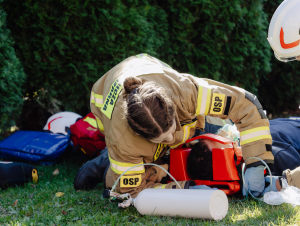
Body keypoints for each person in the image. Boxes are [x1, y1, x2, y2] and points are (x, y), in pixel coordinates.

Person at [75, 53, 273, 198]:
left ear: (172, 108)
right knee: (130, 179)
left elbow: (246, 105)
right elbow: (132, 193)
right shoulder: (123, 140)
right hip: (113, 117)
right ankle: (105, 162)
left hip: (148, 67)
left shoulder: (185, 92)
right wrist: (185, 190)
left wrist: (256, 163)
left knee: (205, 143)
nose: (171, 140)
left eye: (170, 131)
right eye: (161, 140)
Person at [187, 118, 300, 195]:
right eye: (226, 141)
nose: (224, 132)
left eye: (219, 136)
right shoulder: (273, 154)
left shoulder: (265, 148)